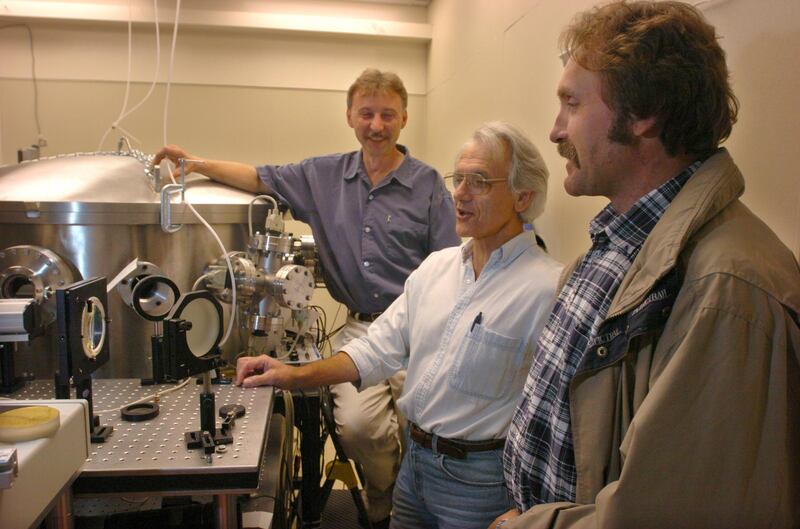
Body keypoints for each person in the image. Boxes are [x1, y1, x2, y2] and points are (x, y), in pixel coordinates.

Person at [494, 2, 800, 529]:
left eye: (572, 103)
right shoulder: (618, 239)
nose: (555, 130)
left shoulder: (727, 289)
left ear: (643, 115)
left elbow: (674, 512)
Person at [154, 68, 461, 527]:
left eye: (387, 115)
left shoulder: (428, 183)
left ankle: (411, 511)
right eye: (367, 114)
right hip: (362, 327)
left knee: (427, 426)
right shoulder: (323, 176)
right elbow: (258, 178)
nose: (377, 125)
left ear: (404, 119)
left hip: (422, 322)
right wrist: (196, 163)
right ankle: (388, 499)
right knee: (358, 428)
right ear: (350, 117)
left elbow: (450, 262)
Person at [236, 121, 563, 529]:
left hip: (481, 487)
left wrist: (536, 506)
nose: (459, 193)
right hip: (414, 471)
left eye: (478, 181)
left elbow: (558, 417)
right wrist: (292, 375)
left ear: (522, 196)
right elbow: (375, 349)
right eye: (458, 178)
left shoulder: (547, 289)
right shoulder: (437, 269)